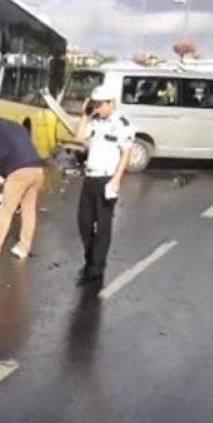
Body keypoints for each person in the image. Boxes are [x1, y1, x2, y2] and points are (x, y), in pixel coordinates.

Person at [66, 85, 136, 287]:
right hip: (90, 177)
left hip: (107, 179)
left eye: (100, 105)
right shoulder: (95, 120)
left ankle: (96, 270)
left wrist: (116, 179)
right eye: (95, 104)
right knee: (84, 223)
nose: (98, 108)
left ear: (111, 103)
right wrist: (85, 116)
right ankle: (91, 259)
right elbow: (79, 138)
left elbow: (126, 154)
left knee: (103, 226)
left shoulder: (122, 124)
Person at [0, 106, 45, 260]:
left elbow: (2, 153)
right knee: (29, 210)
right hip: (37, 169)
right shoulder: (16, 126)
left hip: (19, 171)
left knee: (6, 210)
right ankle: (23, 248)